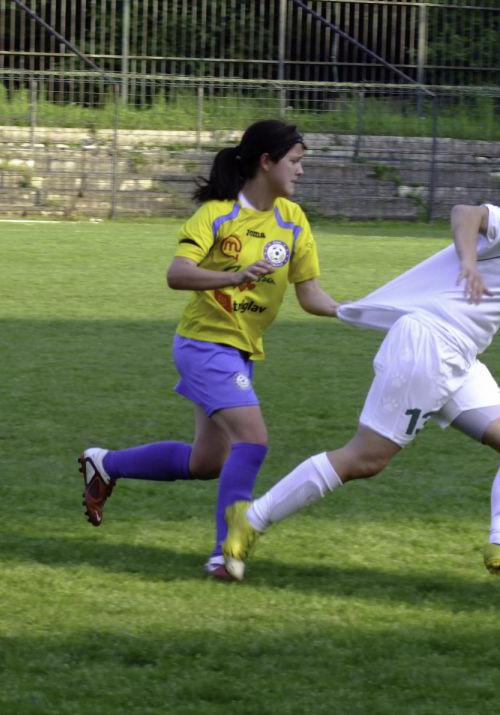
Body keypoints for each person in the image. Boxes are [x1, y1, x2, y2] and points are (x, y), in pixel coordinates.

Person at [222, 173, 500, 583]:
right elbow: (466, 213)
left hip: (461, 359)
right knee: (366, 458)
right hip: (429, 344)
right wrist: (468, 263)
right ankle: (250, 518)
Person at [79, 119, 341, 580]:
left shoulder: (293, 220)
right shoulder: (218, 214)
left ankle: (106, 463)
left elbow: (310, 295)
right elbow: (177, 273)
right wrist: (232, 276)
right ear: (266, 162)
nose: (301, 172)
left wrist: (361, 311)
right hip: (204, 344)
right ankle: (226, 552)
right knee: (253, 441)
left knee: (206, 463)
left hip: (240, 350)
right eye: (295, 162)